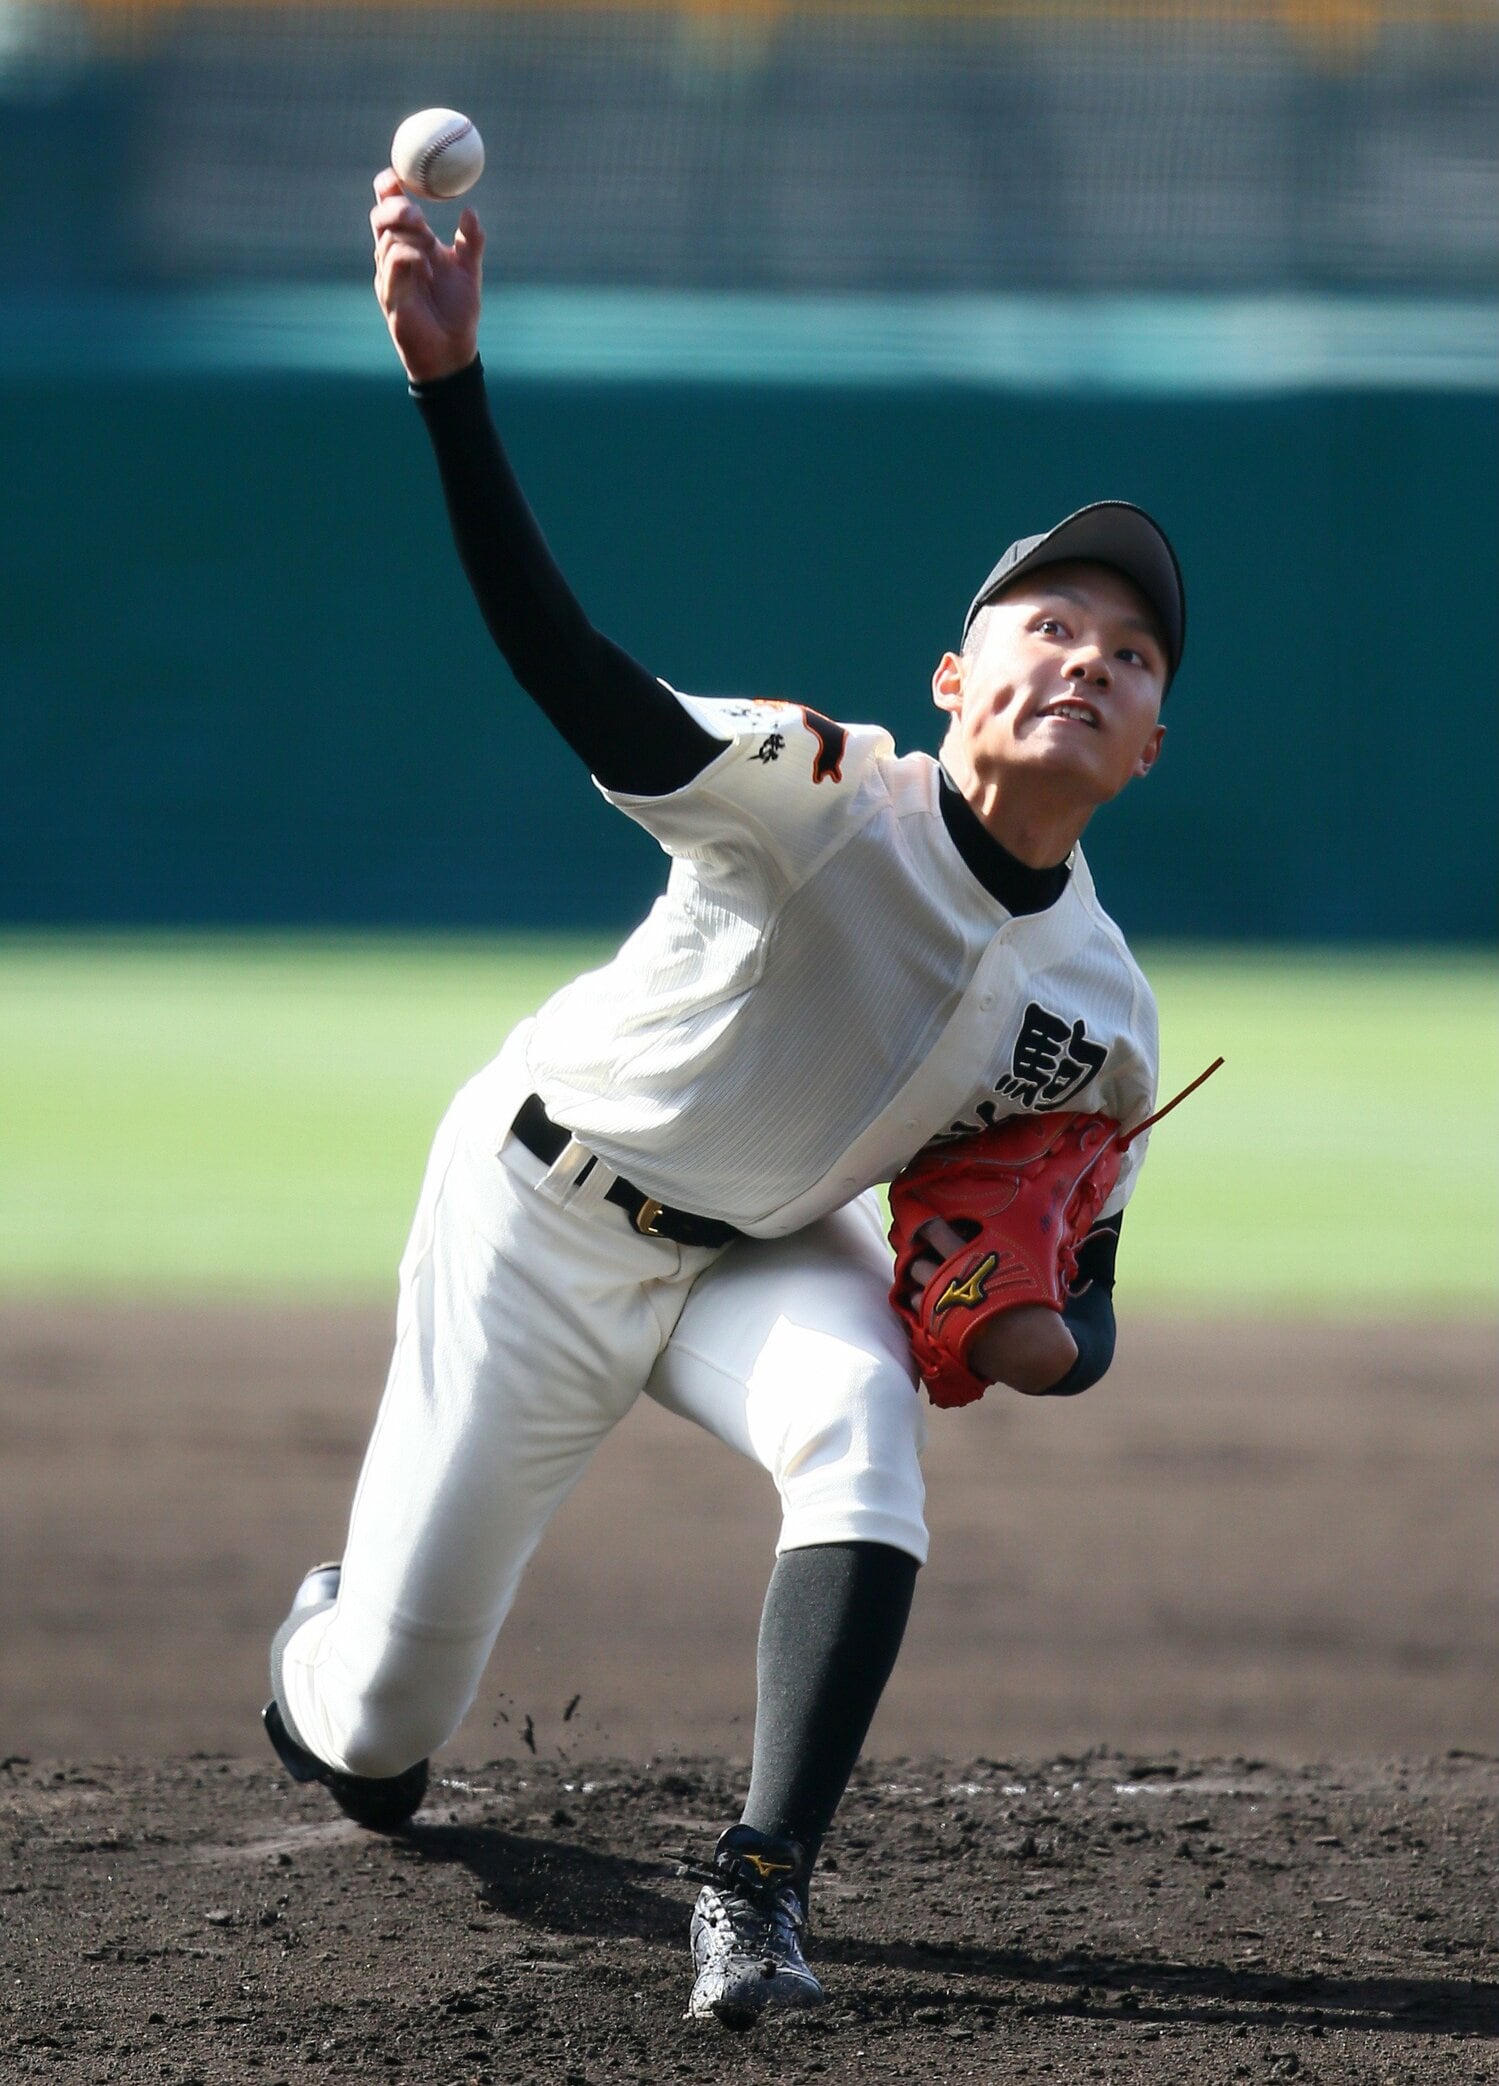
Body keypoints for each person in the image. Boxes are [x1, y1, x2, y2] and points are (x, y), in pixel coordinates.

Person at [262, 168, 1185, 2031]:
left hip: (771, 1247)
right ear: (954, 680)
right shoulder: (822, 792)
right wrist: (451, 388)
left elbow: (1080, 1314)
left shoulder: (1110, 1017)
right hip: (543, 1213)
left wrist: (1037, 1341)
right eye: (1049, 625)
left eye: (1135, 652)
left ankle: (754, 1896)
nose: (1089, 656)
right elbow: (574, 674)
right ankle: (321, 1643)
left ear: (1152, 744)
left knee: (865, 1436)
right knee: (376, 1739)